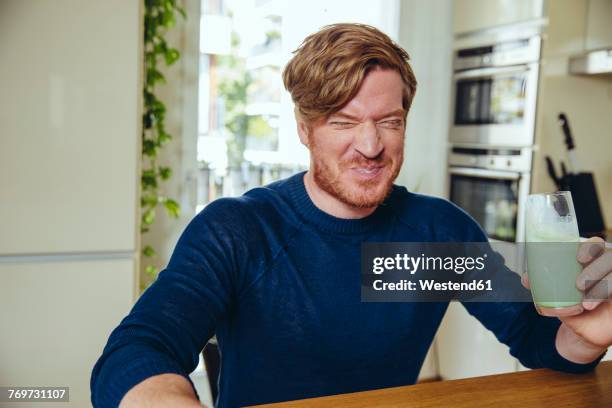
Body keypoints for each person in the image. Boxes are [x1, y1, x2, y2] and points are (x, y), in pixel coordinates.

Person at [91, 23, 611, 408]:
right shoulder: (239, 230)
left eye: (389, 121)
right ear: (304, 127)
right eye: (344, 121)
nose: (371, 145)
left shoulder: (436, 236)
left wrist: (585, 334)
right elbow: (138, 348)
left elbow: (537, 340)